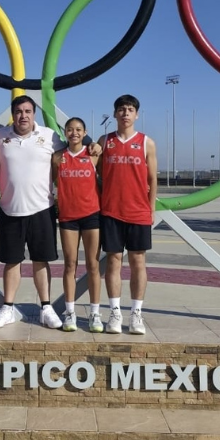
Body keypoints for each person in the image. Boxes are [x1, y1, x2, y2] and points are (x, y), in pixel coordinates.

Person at [0, 96, 66, 329]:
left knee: (41, 260)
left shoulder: (50, 136)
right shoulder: (0, 136)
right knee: (12, 261)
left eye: (28, 111)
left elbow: (61, 162)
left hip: (42, 208)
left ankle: (46, 307)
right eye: (19, 111)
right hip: (11, 209)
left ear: (34, 114)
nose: (23, 115)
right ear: (13, 113)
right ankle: (8, 307)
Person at [99, 94, 157, 335]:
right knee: (113, 261)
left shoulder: (147, 143)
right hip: (111, 211)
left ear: (137, 114)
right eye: (121, 109)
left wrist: (151, 208)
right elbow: (94, 172)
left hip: (138, 212)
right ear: (114, 114)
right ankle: (114, 313)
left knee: (138, 262)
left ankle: (136, 314)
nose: (125, 113)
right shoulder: (104, 141)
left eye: (130, 109)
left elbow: (153, 179)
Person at [52, 117, 105, 332]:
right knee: (70, 265)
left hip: (92, 216)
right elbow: (52, 183)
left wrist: (98, 146)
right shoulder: (57, 158)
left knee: (93, 265)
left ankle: (95, 313)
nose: (74, 133)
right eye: (70, 129)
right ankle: (70, 312)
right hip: (68, 218)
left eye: (78, 130)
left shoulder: (93, 156)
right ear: (65, 132)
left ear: (85, 133)